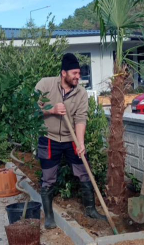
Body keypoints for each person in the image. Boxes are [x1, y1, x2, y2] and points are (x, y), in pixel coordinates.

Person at [35, 53, 106, 230]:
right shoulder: (45, 84)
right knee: (48, 178)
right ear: (63, 73)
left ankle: (91, 209)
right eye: (74, 73)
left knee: (84, 171)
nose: (78, 77)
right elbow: (31, 110)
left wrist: (80, 143)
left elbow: (81, 119)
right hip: (49, 137)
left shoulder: (80, 92)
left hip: (71, 138)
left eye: (79, 73)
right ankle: (49, 216)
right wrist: (51, 109)